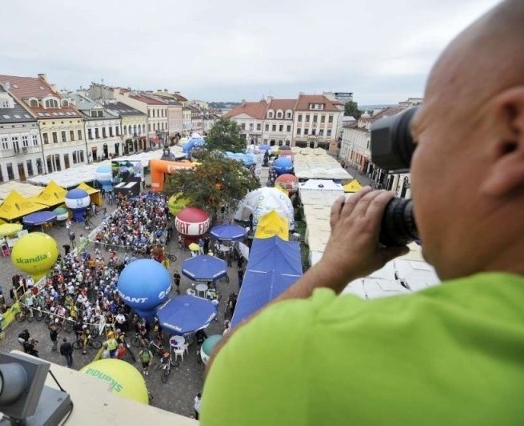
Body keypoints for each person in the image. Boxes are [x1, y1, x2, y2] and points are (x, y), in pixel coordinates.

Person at [201, 2, 524, 425]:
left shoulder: (310, 354)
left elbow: (226, 368)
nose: (412, 168)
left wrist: (333, 266)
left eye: (421, 140)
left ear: (509, 140)